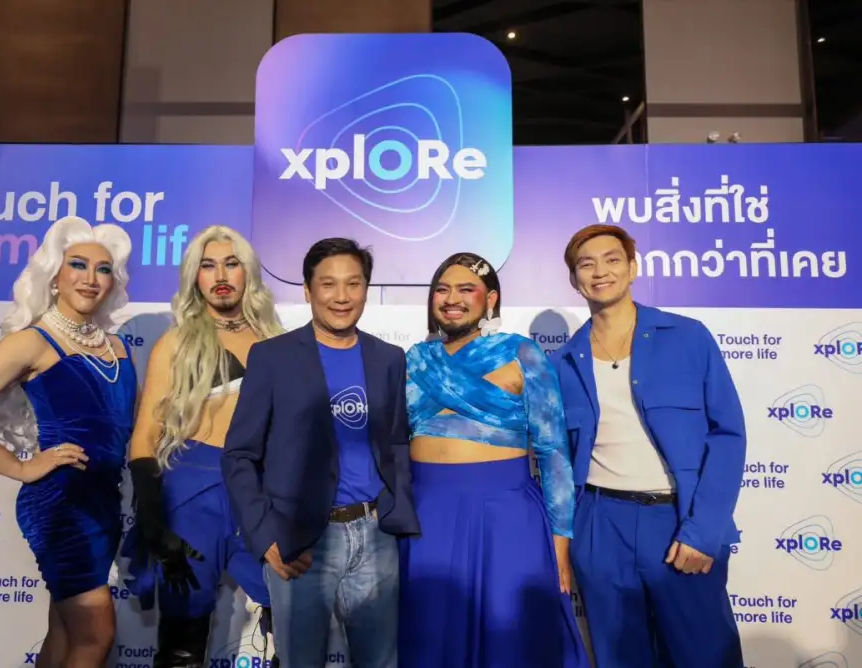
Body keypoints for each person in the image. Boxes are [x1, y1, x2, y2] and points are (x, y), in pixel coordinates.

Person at [0, 216, 136, 668]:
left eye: (102, 269)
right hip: (60, 503)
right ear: (54, 277)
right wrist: (20, 467)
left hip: (103, 503)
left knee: (63, 632)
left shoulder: (118, 348)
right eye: (77, 264)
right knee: (95, 633)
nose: (91, 277)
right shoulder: (33, 342)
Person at [221, 237, 420, 668]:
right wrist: (265, 535)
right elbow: (239, 454)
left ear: (366, 289)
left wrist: (396, 514)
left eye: (354, 283)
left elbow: (396, 443)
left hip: (375, 536)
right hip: (302, 540)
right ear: (308, 291)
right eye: (328, 284)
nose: (341, 296)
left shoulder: (388, 358)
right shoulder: (272, 357)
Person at [553, 224, 746, 667]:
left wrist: (703, 531)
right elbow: (558, 457)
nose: (600, 271)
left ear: (633, 268)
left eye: (612, 260)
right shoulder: (562, 362)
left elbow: (728, 435)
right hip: (600, 525)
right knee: (620, 657)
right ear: (574, 279)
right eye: (586, 264)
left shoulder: (688, 337)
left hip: (678, 521)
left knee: (705, 655)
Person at [399, 252, 588, 668]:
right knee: (431, 636)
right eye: (442, 289)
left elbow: (554, 451)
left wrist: (560, 545)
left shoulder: (521, 353)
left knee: (510, 641)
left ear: (490, 299)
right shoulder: (415, 359)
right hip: (426, 516)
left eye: (466, 289)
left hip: (506, 514)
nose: (452, 299)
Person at [122, 226, 284, 668]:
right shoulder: (176, 343)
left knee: (291, 623)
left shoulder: (278, 342)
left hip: (260, 492)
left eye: (232, 263)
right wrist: (152, 517)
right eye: (208, 265)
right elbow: (145, 432)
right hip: (194, 493)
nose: (221, 275)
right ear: (195, 276)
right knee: (183, 638)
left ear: (248, 272)